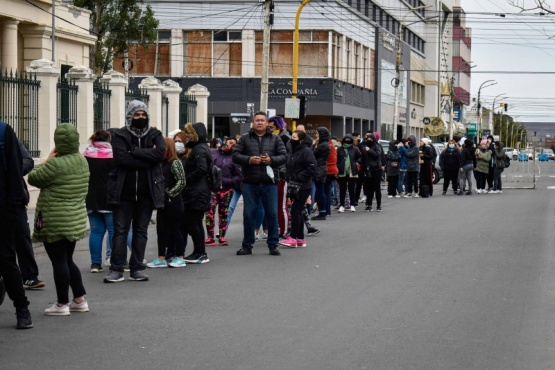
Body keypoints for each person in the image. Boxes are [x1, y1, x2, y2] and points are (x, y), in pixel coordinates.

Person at [28, 123, 89, 316]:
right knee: (67, 259)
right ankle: (79, 299)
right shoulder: (82, 161)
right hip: (73, 219)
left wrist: (46, 160)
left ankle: (62, 303)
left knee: (59, 261)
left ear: (58, 143)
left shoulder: (54, 164)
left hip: (54, 219)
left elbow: (33, 178)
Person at [103, 100, 166, 283]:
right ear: (130, 116)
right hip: (123, 193)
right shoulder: (119, 135)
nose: (140, 118)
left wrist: (136, 151)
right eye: (137, 115)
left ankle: (137, 268)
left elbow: (160, 154)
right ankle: (116, 269)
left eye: (143, 115)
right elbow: (122, 159)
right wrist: (148, 157)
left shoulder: (155, 134)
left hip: (147, 194)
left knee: (141, 231)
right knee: (120, 231)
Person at [232, 111, 287, 256]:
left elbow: (283, 156)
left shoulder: (275, 139)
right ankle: (247, 245)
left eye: (263, 120)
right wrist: (250, 160)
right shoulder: (244, 138)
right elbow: (235, 156)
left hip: (270, 182)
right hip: (250, 182)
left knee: (272, 214)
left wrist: (271, 160)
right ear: (253, 122)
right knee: (249, 214)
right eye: (257, 120)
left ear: (267, 122)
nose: (260, 122)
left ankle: (273, 244)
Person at [0, 121, 33, 328]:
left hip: (3, 208)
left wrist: (12, 205)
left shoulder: (4, 132)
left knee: (6, 259)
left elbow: (15, 167)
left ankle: (22, 308)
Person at [147, 137, 186, 268]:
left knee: (176, 230)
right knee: (161, 230)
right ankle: (161, 258)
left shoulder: (175, 163)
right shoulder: (159, 163)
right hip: (162, 203)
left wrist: (169, 193)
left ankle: (180, 257)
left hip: (174, 202)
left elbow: (182, 182)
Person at [83, 130, 115, 273]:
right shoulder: (113, 155)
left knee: (96, 231)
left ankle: (95, 264)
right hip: (109, 198)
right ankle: (114, 259)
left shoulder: (86, 155)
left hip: (91, 197)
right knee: (113, 230)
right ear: (109, 139)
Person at [181, 122, 212, 264]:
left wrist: (186, 180)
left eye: (189, 133)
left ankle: (200, 252)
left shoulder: (199, 149)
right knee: (196, 223)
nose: (186, 135)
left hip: (196, 192)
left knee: (193, 222)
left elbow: (202, 169)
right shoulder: (201, 147)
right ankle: (199, 252)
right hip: (199, 190)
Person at [16, 140, 45, 289]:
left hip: (15, 199)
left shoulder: (7, 135)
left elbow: (28, 160)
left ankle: (29, 276)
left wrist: (12, 172)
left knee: (22, 237)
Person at [280, 131, 316, 248]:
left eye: (294, 137)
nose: (292, 139)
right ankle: (300, 239)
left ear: (301, 140)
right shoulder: (293, 151)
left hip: (303, 185)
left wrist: (299, 177)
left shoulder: (306, 151)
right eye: (292, 137)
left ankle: (293, 237)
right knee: (298, 210)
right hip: (294, 185)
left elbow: (312, 167)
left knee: (295, 210)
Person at [205, 137, 241, 246]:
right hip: (212, 189)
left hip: (226, 189)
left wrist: (228, 181)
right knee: (209, 213)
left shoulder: (235, 158)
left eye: (233, 144)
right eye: (229, 142)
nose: (230, 145)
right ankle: (210, 237)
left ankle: (222, 236)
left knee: (224, 214)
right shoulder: (213, 153)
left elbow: (238, 176)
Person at [267, 116, 290, 238]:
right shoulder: (272, 138)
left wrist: (283, 173)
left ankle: (284, 232)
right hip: (271, 175)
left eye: (272, 127)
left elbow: (286, 158)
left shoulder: (284, 138)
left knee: (281, 206)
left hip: (280, 175)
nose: (269, 129)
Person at [336, 134, 361, 212]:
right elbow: (336, 159)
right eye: (346, 140)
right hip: (342, 171)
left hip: (352, 171)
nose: (347, 142)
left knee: (351, 189)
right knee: (342, 189)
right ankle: (341, 205)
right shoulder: (339, 149)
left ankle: (352, 205)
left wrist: (357, 162)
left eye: (349, 140)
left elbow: (360, 157)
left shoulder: (355, 149)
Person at [311, 127, 331, 220]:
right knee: (321, 191)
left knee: (320, 191)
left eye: (317, 133)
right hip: (322, 168)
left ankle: (322, 212)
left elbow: (312, 154)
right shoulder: (325, 144)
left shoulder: (323, 145)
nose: (316, 135)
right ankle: (323, 211)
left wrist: (313, 145)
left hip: (319, 169)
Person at [362, 133, 385, 211]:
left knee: (377, 188)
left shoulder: (377, 146)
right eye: (367, 139)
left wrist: (369, 150)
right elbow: (363, 157)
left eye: (370, 139)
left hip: (376, 169)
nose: (369, 141)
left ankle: (378, 205)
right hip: (368, 169)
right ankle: (369, 205)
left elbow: (377, 155)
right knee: (369, 188)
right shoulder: (365, 147)